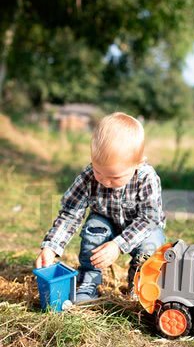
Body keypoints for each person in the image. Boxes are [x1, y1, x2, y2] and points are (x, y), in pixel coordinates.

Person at [35, 112, 166, 302]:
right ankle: (89, 282)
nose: (105, 181)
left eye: (115, 177)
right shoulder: (89, 176)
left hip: (142, 228)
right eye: (99, 171)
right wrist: (51, 247)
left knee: (151, 246)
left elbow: (149, 219)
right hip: (106, 222)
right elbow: (70, 213)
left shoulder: (146, 178)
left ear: (139, 163)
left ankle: (138, 284)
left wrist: (118, 245)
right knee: (93, 229)